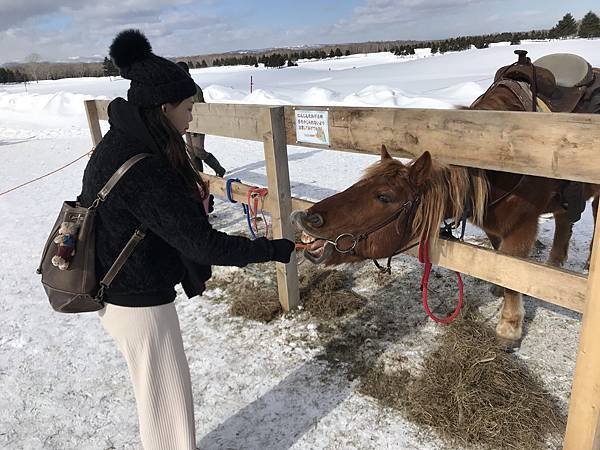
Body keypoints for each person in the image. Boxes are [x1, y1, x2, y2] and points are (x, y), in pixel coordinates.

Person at [78, 29, 295, 450]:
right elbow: (203, 245)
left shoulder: (123, 139)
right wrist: (273, 249)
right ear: (165, 108)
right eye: (189, 106)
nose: (193, 116)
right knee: (167, 411)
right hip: (135, 300)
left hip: (120, 290)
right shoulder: (144, 167)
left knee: (160, 403)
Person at [176, 61, 226, 177]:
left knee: (198, 150)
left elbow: (198, 108)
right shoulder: (181, 88)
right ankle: (199, 176)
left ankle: (219, 169)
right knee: (191, 152)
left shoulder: (192, 87)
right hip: (187, 123)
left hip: (197, 123)